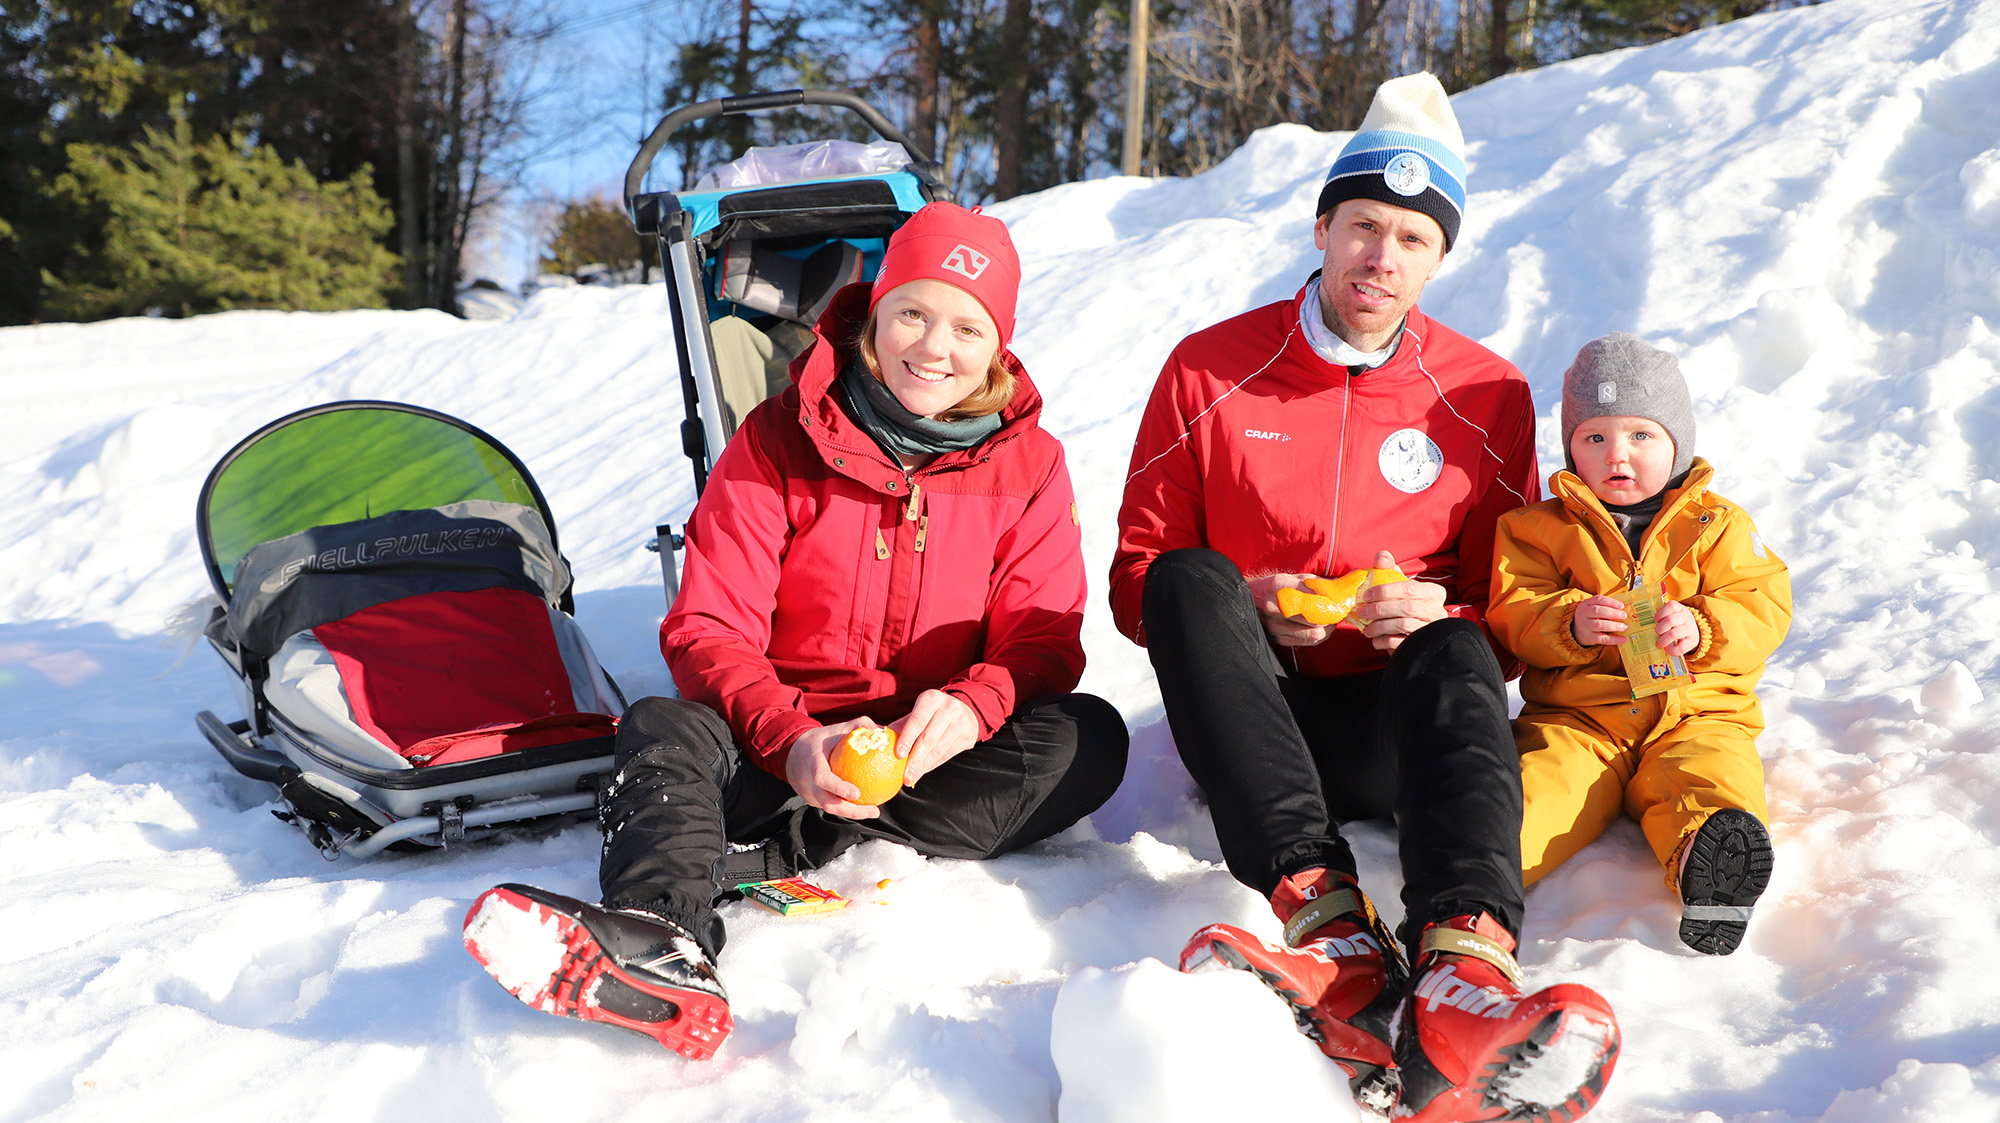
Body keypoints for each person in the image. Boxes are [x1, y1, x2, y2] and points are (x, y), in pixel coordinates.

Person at [460, 202, 1129, 1059]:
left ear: (998, 344)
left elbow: (1042, 639)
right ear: (874, 314)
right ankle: (662, 939)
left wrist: (969, 705)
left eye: (968, 325)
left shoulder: (1029, 464)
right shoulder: (779, 436)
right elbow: (707, 625)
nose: (934, 347)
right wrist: (793, 739)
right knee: (663, 729)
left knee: (1090, 737)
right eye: (913, 313)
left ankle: (784, 848)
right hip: (774, 738)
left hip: (925, 758)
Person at [1111, 73, 1620, 1121]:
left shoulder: (1482, 394)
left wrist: (1441, 611)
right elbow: (1137, 582)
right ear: (1320, 227)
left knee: (1456, 643)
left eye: (1411, 239)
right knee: (1189, 575)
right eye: (1362, 227)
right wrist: (1253, 605)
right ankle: (1331, 934)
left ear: (1440, 257)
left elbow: (1508, 604)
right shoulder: (1207, 372)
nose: (1380, 259)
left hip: (1401, 736)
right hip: (1258, 726)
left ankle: (1463, 972)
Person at [1490, 333, 1791, 956]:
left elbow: (1763, 604)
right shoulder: (1535, 530)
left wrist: (1703, 626)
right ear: (1571, 445)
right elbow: (1513, 612)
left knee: (1707, 778)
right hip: (1581, 719)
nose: (1615, 455)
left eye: (1640, 436)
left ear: (1677, 442)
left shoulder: (1718, 524)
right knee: (1540, 790)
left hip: (1696, 713)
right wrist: (1567, 624)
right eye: (1594, 437)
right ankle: (1475, 874)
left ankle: (1711, 870)